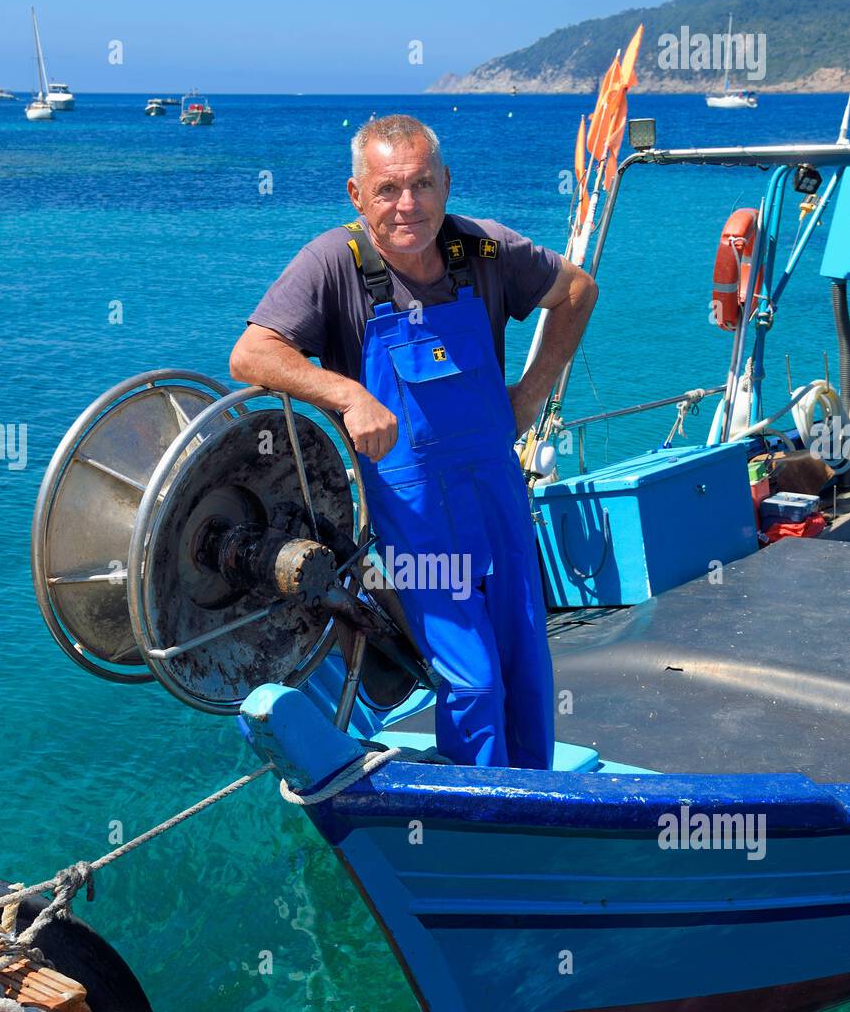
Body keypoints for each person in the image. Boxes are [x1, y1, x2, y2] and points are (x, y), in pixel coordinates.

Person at [230, 114, 597, 768]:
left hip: (498, 502)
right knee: (475, 682)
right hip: (416, 524)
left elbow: (576, 290)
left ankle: (539, 809)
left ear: (446, 183)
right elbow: (251, 354)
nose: (408, 205)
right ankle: (478, 817)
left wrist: (530, 394)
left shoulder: (484, 250)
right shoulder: (332, 265)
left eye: (422, 185)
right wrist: (348, 395)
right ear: (356, 194)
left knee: (525, 671)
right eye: (388, 189)